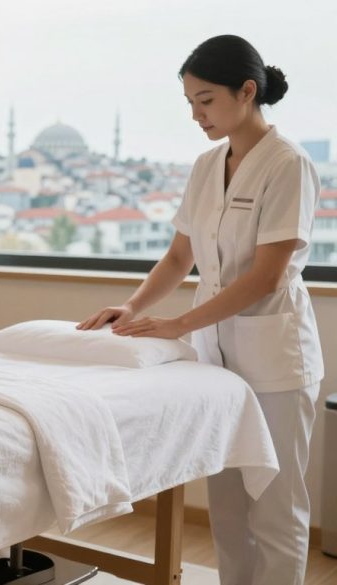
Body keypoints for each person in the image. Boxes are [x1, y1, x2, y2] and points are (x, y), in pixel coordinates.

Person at [77, 35, 323, 585]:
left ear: (247, 91)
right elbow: (178, 256)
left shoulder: (288, 165)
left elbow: (265, 276)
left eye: (206, 100)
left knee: (277, 505)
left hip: (274, 359)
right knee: (228, 505)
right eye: (190, 103)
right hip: (216, 356)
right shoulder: (208, 165)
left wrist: (177, 325)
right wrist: (133, 306)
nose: (196, 115)